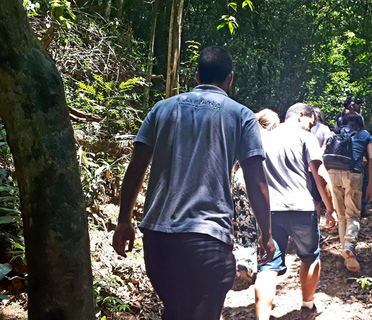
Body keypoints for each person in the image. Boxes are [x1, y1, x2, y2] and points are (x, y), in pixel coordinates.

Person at [112, 46, 275, 320]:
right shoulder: (242, 116)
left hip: (159, 238)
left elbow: (136, 165)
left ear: (197, 76)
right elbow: (256, 180)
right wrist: (266, 234)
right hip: (208, 238)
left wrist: (123, 220)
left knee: (175, 311)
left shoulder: (162, 109)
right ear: (230, 79)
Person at [255, 103, 336, 320]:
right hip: (301, 208)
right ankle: (308, 306)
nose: (310, 128)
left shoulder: (264, 137)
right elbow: (319, 175)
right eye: (310, 122)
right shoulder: (304, 137)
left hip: (270, 212)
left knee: (267, 267)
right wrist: (331, 209)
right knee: (310, 257)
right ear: (301, 115)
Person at [231, 108, 280, 290]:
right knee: (261, 223)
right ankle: (258, 262)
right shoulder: (270, 139)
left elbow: (235, 165)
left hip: (239, 179)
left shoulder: (245, 134)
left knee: (245, 226)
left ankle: (244, 260)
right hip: (257, 181)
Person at [326, 112, 372, 272]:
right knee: (353, 215)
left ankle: (346, 256)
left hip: (333, 172)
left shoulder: (336, 133)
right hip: (353, 174)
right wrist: (371, 185)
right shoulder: (365, 134)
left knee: (341, 217)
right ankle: (349, 246)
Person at [309, 107, 332, 228]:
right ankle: (315, 227)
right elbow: (326, 145)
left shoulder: (305, 128)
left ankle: (312, 226)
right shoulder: (324, 129)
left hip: (304, 166)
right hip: (317, 165)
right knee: (317, 199)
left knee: (311, 198)